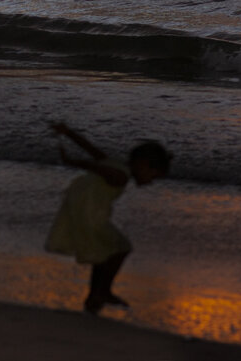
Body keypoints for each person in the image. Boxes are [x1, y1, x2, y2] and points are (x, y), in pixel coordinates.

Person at [44, 122, 171, 313]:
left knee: (104, 255)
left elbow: (90, 149)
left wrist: (69, 132)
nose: (150, 181)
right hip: (92, 217)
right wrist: (73, 162)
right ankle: (102, 291)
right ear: (143, 165)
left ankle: (96, 295)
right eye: (153, 176)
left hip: (85, 213)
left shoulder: (114, 163)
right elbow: (98, 168)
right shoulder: (121, 175)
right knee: (120, 249)